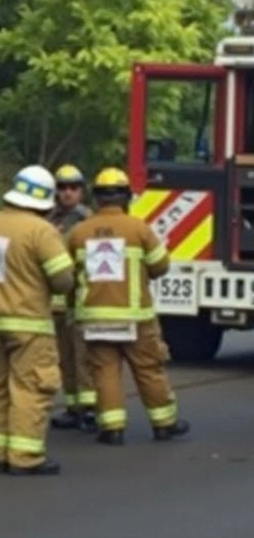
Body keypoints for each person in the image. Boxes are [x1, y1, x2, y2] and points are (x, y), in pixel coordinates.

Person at [0, 165, 74, 476]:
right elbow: (63, 279)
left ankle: (0, 453)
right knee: (31, 386)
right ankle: (25, 456)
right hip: (28, 323)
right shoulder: (41, 231)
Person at [68, 167, 190, 446]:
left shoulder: (79, 232)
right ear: (125, 197)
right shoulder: (139, 229)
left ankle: (112, 429)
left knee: (105, 371)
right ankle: (164, 424)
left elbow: (66, 275)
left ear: (96, 197)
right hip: (137, 317)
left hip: (95, 316)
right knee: (148, 368)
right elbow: (160, 266)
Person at [47, 164, 97, 432]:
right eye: (62, 188)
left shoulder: (89, 221)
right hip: (55, 303)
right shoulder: (45, 219)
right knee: (64, 359)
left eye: (73, 188)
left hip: (81, 300)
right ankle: (73, 406)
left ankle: (90, 409)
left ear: (82, 191)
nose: (67, 193)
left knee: (84, 357)